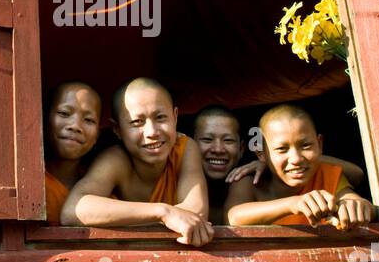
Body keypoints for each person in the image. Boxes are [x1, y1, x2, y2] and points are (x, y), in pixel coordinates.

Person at [61, 77, 212, 246]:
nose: (151, 132)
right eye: (136, 122)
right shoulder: (116, 160)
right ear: (117, 130)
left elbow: (195, 214)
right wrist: (162, 212)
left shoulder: (184, 149)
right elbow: (72, 211)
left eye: (161, 117)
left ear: (175, 117)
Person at [226, 103, 374, 230]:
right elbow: (233, 217)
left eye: (306, 146)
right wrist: (293, 204)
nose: (296, 159)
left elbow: (355, 201)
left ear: (319, 144)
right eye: (282, 149)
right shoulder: (249, 182)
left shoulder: (325, 174)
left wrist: (356, 206)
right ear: (262, 154)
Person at [43, 81, 102, 221]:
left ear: (97, 136)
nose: (75, 126)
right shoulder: (30, 180)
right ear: (45, 119)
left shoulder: (101, 189)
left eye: (88, 120)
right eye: (64, 113)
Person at [192, 104, 244, 225]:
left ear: (241, 149)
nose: (218, 149)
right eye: (207, 140)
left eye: (228, 140)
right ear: (190, 145)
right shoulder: (172, 182)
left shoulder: (257, 184)